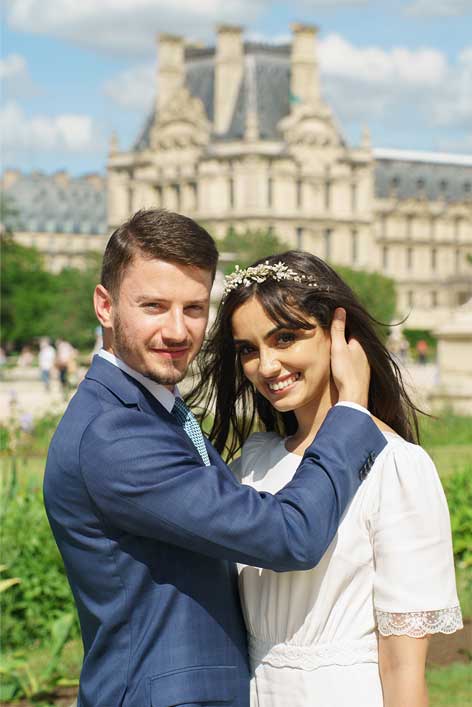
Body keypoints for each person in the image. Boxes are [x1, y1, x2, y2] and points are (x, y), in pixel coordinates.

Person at [43, 210, 387, 707]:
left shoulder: (148, 409)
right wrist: (351, 412)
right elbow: (288, 536)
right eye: (155, 306)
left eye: (194, 308)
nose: (178, 330)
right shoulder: (115, 435)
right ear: (105, 305)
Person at [190, 251, 463, 707]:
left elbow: (402, 668)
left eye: (286, 338)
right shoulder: (255, 460)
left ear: (339, 336)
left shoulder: (396, 465)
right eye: (249, 350)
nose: (267, 365)